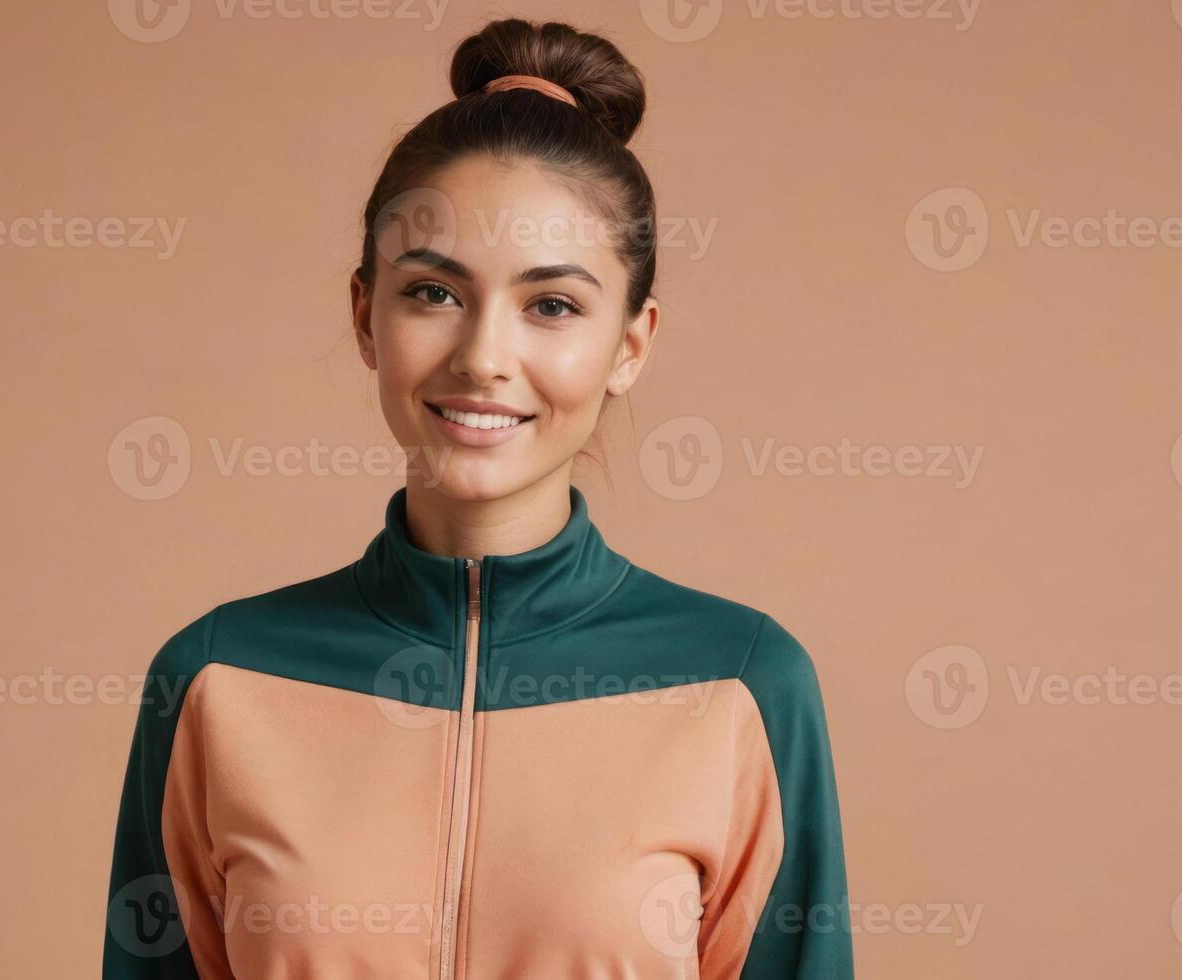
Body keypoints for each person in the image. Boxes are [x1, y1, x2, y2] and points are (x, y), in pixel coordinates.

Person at [103, 17, 853, 979]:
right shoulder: (215, 680)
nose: (483, 359)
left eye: (552, 305)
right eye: (434, 293)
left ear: (631, 344)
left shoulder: (742, 686)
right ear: (365, 315)